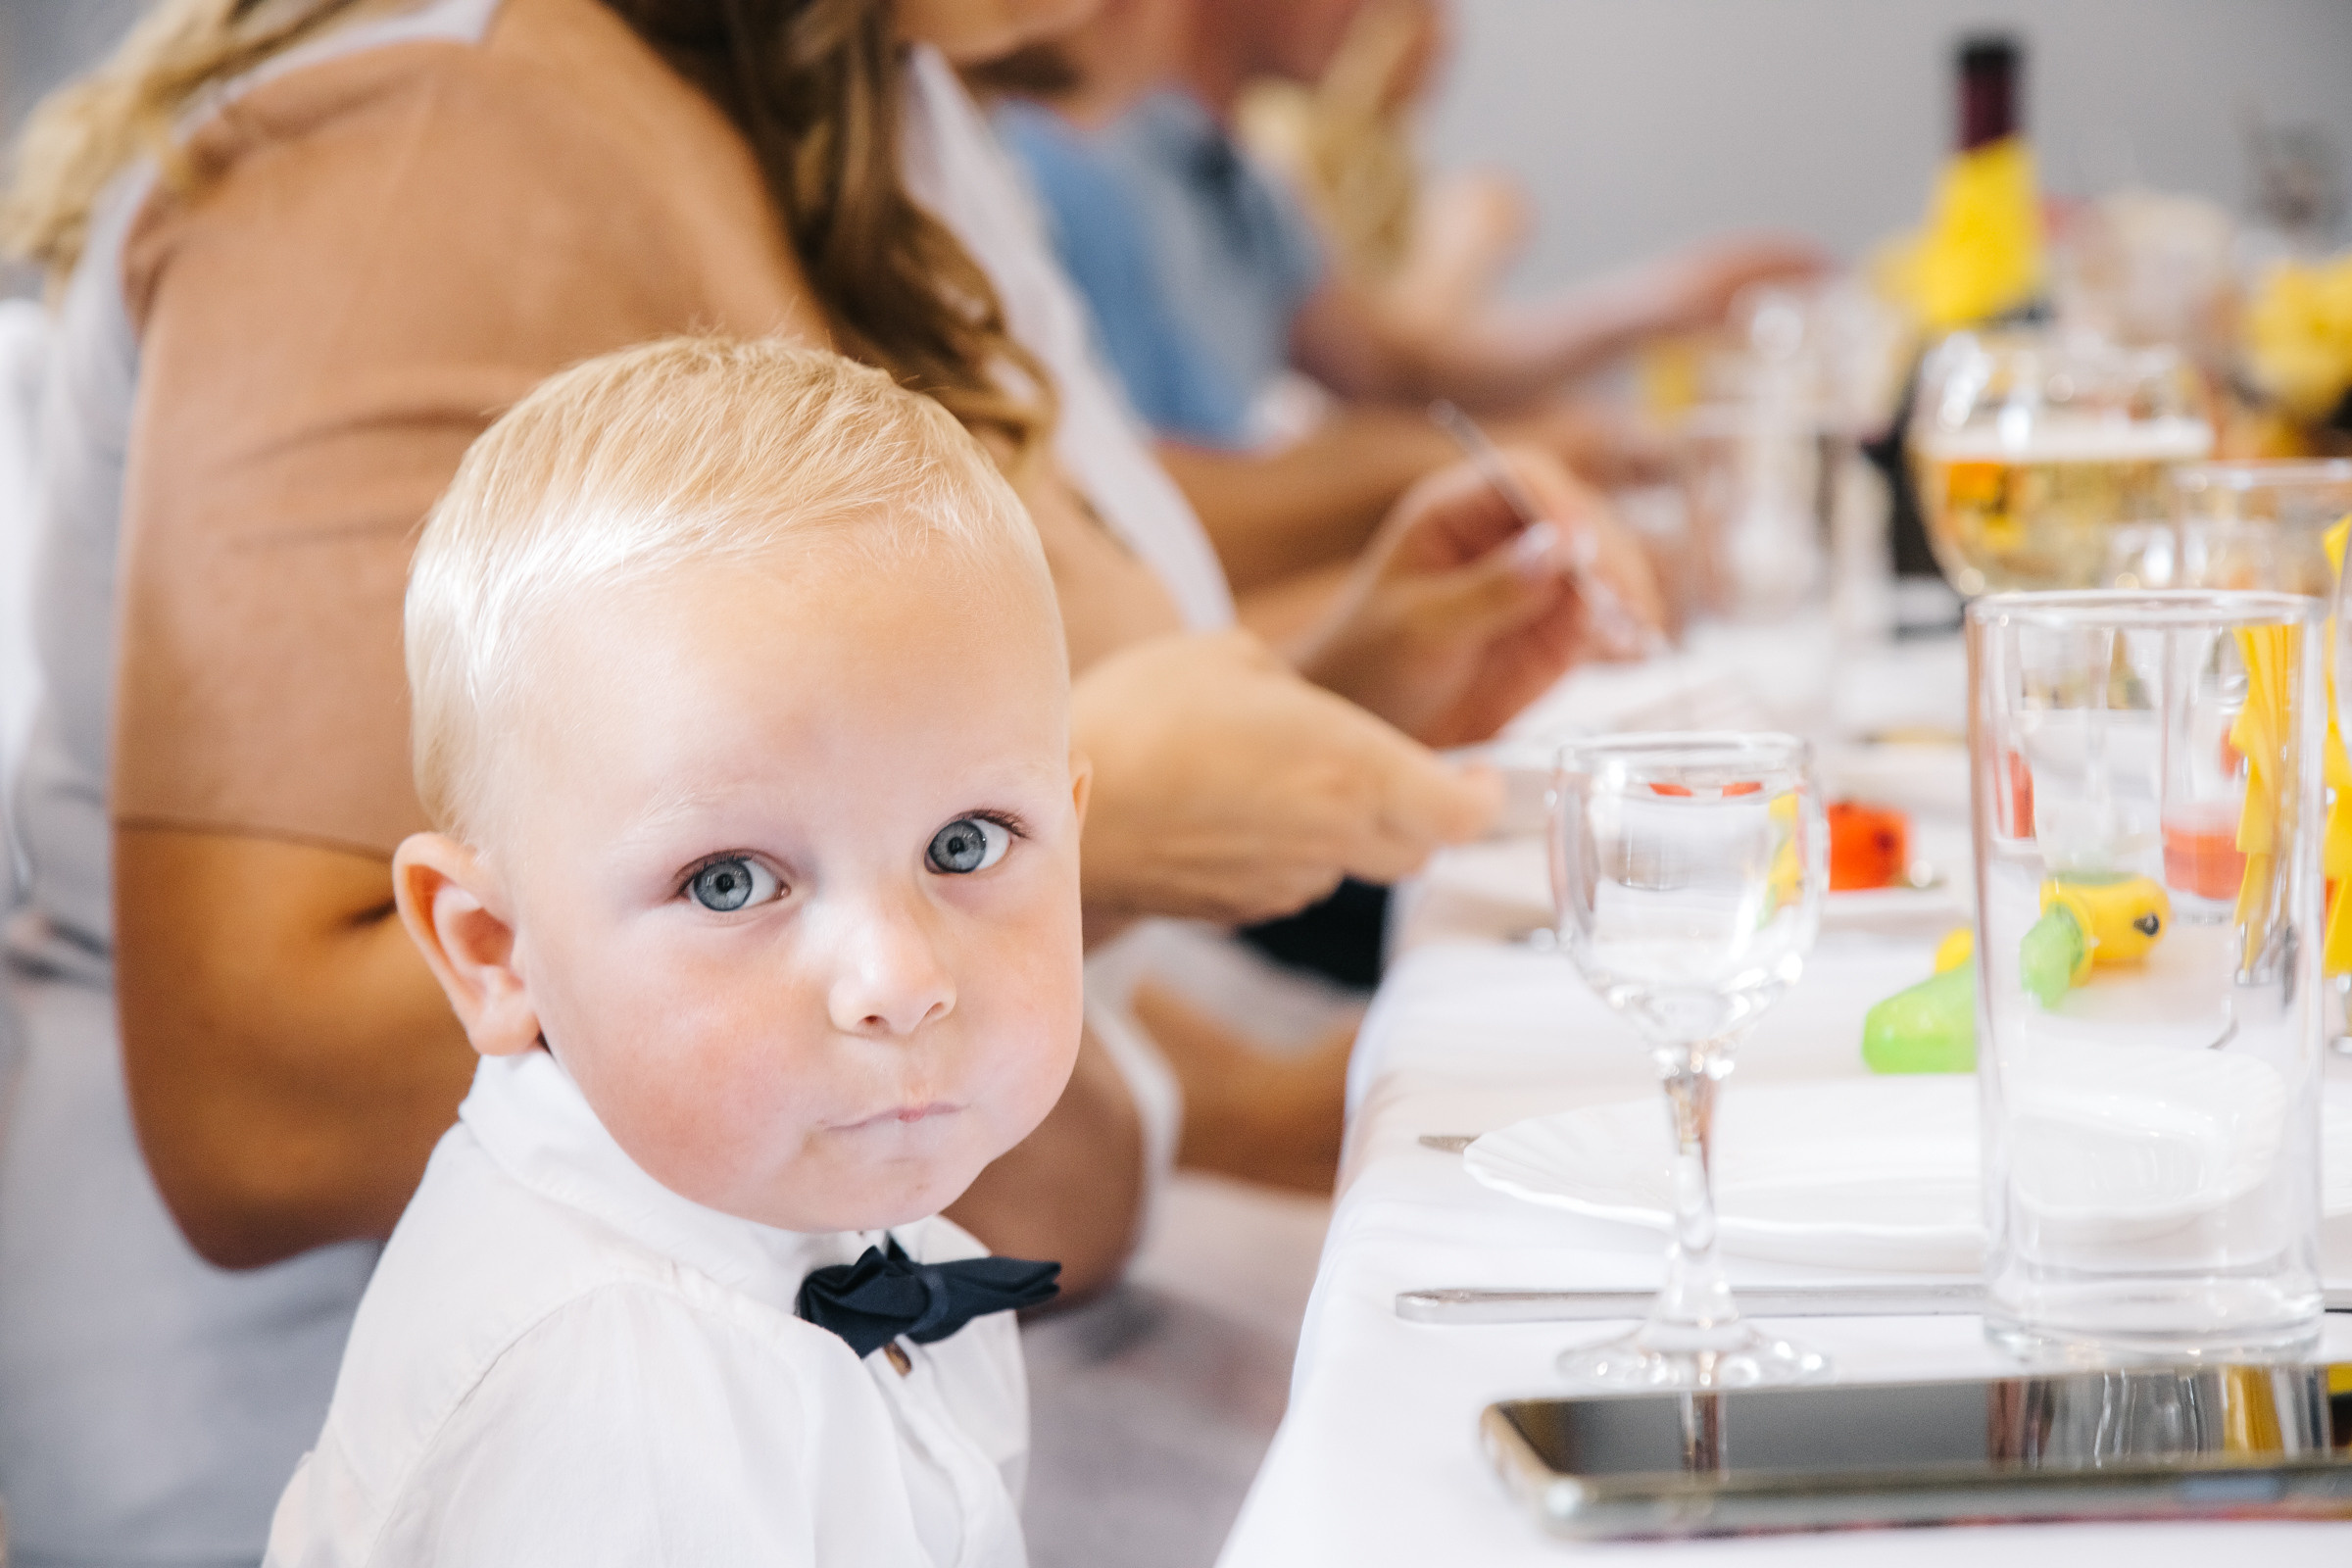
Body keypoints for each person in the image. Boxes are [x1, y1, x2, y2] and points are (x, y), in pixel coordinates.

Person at [0, 0, 1653, 1560]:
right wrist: (1091, 833)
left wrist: (1331, 688)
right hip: (446, 1423)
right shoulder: (438, 137)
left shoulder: (871, 106)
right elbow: (255, 1106)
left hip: (876, 1287)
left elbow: (827, 726)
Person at [270, 336, 1078, 1565]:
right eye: (731, 881)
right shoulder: (616, 1392)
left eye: (965, 844)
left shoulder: (791, 1204)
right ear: (494, 948)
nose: (903, 982)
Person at [992, 0, 1825, 582]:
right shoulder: (1073, 169)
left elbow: (1396, 370)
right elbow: (1137, 501)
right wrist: (1511, 464)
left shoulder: (1248, 174)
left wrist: (1660, 304)